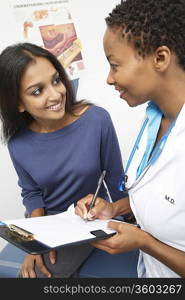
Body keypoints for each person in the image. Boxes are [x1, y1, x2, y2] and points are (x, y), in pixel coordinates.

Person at [75, 0, 185, 278]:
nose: (109, 79)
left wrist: (145, 242)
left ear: (160, 58)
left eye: (114, 65)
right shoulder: (155, 118)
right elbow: (164, 202)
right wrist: (113, 209)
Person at [0, 42, 130, 278]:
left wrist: (129, 219)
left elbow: (115, 180)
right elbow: (31, 193)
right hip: (48, 223)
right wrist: (34, 240)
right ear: (18, 103)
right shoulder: (18, 144)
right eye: (37, 91)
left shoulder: (97, 121)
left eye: (56, 80)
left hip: (87, 219)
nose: (56, 94)